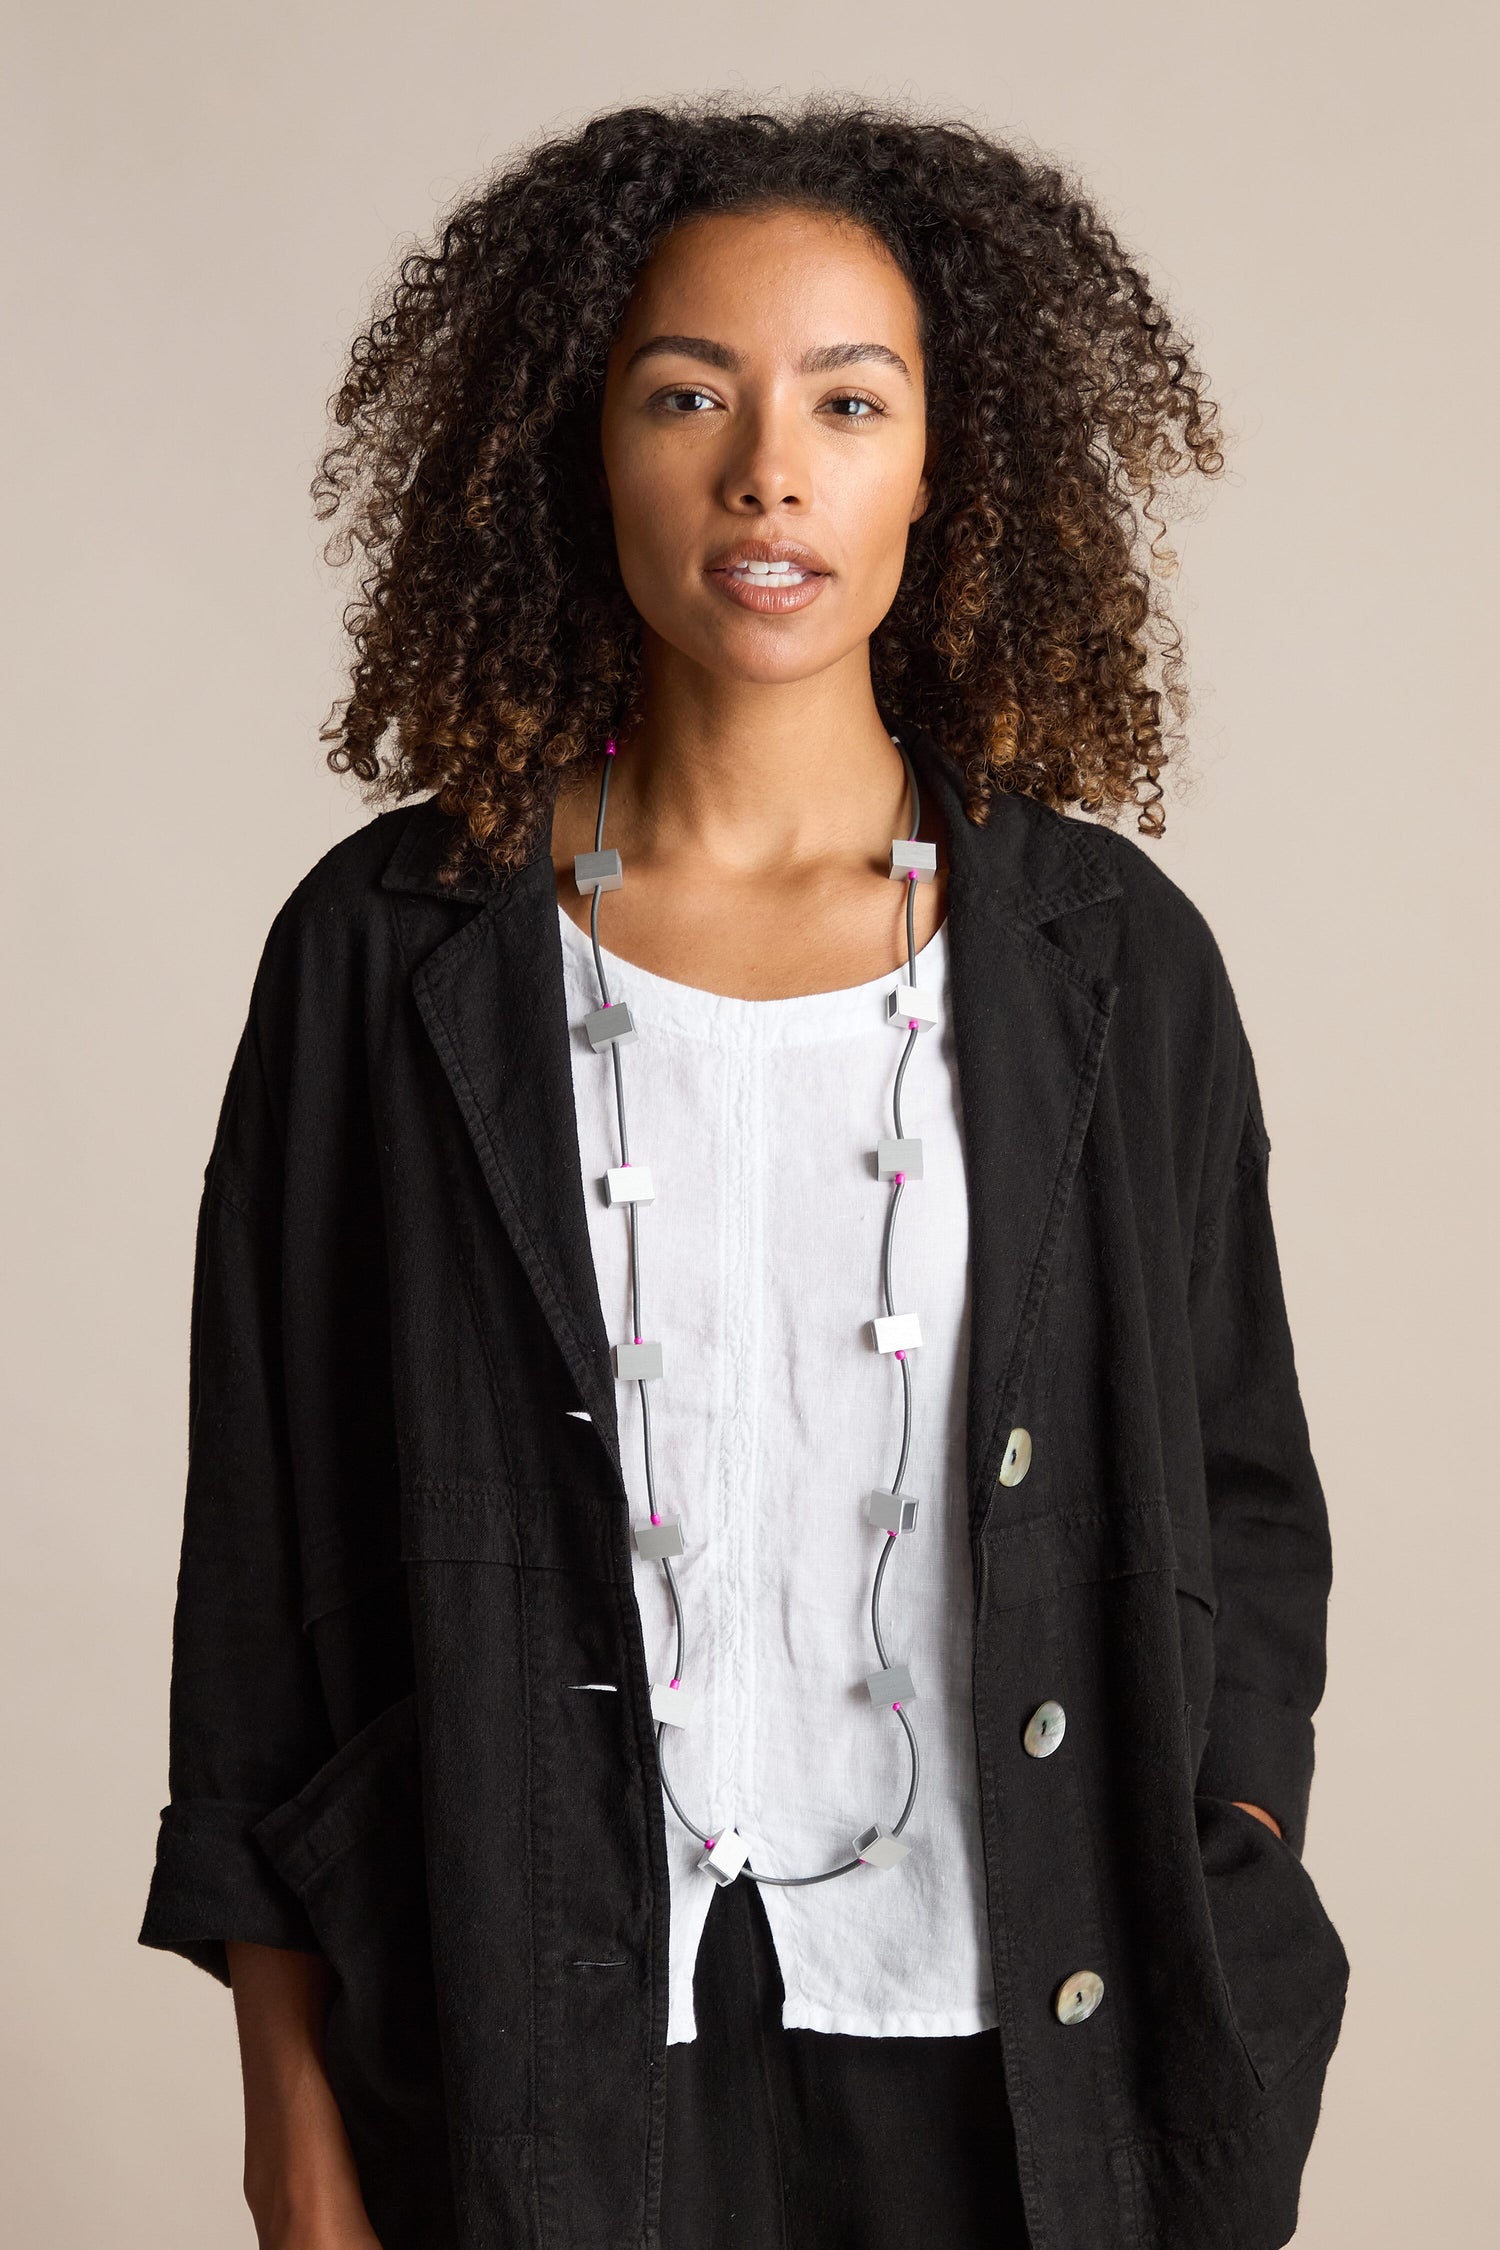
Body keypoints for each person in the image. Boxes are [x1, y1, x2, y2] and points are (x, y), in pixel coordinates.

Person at [138, 98, 1349, 2250]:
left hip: (1034, 2064)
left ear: (942, 467)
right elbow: (268, 1567)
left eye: (847, 402)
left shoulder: (1105, 961)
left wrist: (1232, 1862)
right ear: (578, 449)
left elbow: (1244, 1496)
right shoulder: (395, 951)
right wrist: (295, 2129)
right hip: (533, 2051)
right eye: (685, 393)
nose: (766, 469)